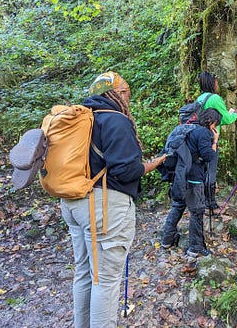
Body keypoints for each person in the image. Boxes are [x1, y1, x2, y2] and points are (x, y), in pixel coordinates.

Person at [60, 71, 166, 328]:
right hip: (104, 207)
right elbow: (126, 170)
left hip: (73, 203)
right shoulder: (115, 120)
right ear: (117, 94)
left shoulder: (83, 120)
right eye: (127, 92)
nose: (129, 98)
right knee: (105, 281)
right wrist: (153, 164)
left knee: (85, 274)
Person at [161, 108, 222, 257]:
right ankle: (195, 248)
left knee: (178, 206)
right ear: (212, 122)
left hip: (180, 174)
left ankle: (167, 240)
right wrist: (214, 142)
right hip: (194, 178)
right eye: (216, 124)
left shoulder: (189, 129)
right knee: (197, 211)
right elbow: (208, 156)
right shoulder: (203, 133)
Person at [195, 71, 237, 212]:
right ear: (211, 83)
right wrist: (235, 113)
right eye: (216, 82)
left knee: (202, 170)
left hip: (198, 138)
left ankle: (201, 199)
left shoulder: (200, 98)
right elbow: (225, 119)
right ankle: (210, 203)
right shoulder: (215, 98)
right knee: (211, 170)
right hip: (210, 138)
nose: (217, 84)